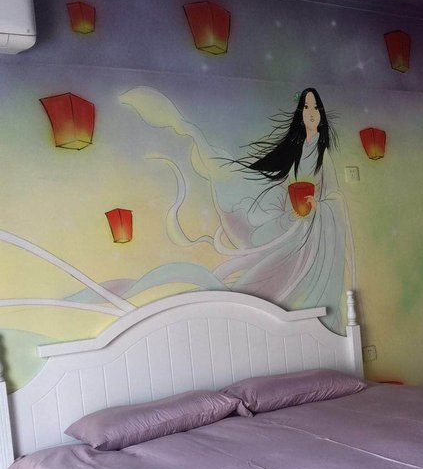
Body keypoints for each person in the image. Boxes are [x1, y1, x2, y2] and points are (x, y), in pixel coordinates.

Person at [120, 86, 355, 333]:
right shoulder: (293, 149)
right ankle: (231, 324)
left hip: (314, 235)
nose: (311, 112)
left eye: (315, 107)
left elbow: (334, 196)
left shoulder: (322, 154)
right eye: (306, 107)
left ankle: (309, 327)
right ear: (300, 113)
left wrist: (319, 206)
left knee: (292, 282)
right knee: (262, 264)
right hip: (289, 224)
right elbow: (273, 180)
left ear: (322, 114)